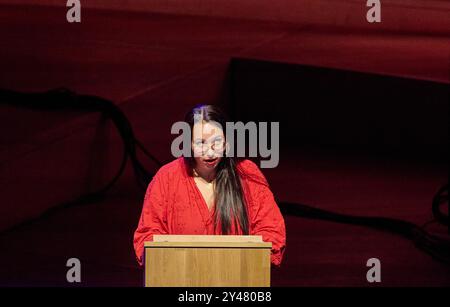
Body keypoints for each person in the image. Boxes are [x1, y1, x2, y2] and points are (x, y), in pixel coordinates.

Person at [133, 104, 286, 266]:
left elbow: (272, 232)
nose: (210, 152)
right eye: (201, 143)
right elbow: (147, 236)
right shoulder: (167, 178)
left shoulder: (247, 174)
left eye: (217, 142)